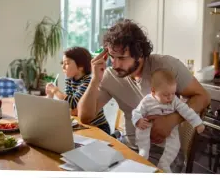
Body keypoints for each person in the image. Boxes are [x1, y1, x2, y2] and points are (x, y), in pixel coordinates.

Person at [77, 19, 210, 172]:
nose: (114, 64)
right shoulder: (110, 75)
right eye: (112, 57)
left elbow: (203, 96)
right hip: (125, 146)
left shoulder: (166, 66)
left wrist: (172, 120)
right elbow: (85, 117)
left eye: (121, 58)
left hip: (162, 153)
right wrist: (94, 80)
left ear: (139, 53)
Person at [131, 69, 205, 173]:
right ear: (153, 91)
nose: (170, 97)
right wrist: (138, 120)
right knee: (142, 130)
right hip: (148, 125)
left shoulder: (174, 100)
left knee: (175, 144)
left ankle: (164, 163)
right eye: (166, 95)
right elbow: (136, 112)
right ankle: (143, 152)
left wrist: (197, 123)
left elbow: (186, 111)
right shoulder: (147, 101)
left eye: (173, 93)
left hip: (170, 128)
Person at [45, 46, 110, 135]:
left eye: (67, 63)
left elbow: (73, 103)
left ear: (81, 67)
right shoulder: (69, 80)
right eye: (62, 63)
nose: (63, 66)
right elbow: (69, 106)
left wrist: (55, 90)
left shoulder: (88, 81)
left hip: (98, 127)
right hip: (83, 125)